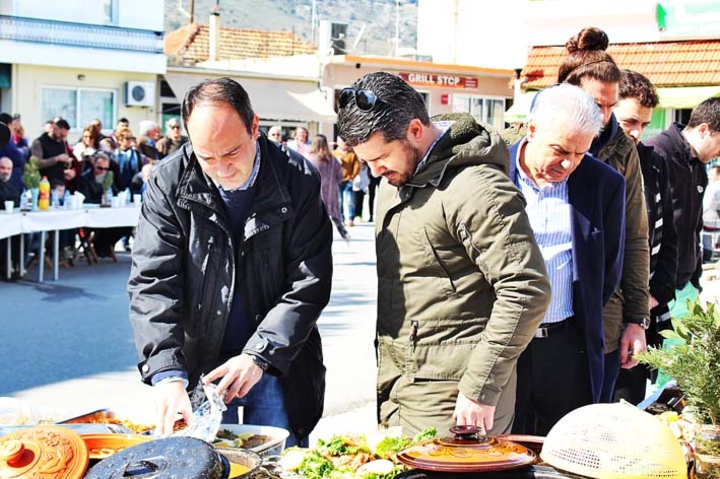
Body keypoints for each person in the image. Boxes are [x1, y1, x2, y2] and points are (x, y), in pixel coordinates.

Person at [337, 71, 551, 436]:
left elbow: (526, 290)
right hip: (402, 385)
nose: (375, 171)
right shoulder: (394, 179)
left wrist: (481, 386)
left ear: (415, 130)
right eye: (366, 161)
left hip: (460, 398)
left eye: (381, 157)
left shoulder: (477, 188)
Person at [128, 77, 333, 447]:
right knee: (199, 463)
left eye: (232, 153)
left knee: (277, 464)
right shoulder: (168, 181)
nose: (222, 169)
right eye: (206, 157)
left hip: (275, 362)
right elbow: (153, 282)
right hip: (196, 363)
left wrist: (259, 356)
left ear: (254, 127)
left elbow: (308, 283)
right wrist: (166, 371)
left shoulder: (297, 178)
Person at [507, 84, 626, 435]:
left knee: (566, 447)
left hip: (566, 347)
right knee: (501, 448)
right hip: (502, 346)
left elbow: (607, 269)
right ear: (531, 130)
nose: (568, 163)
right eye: (559, 150)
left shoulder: (603, 184)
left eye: (579, 153)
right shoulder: (491, 172)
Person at [555, 27, 650, 401]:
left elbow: (635, 236)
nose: (605, 116)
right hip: (540, 320)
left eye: (611, 106)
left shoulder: (622, 151)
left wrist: (636, 319)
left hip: (604, 317)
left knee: (592, 423)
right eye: (596, 105)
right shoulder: (527, 140)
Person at [612, 70, 678, 404]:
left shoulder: (653, 164)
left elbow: (669, 237)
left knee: (629, 404)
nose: (637, 132)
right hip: (598, 315)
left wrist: (654, 297)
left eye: (644, 124)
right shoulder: (587, 163)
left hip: (639, 313)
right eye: (629, 122)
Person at [644, 96, 720, 323]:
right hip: (654, 291)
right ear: (704, 130)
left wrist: (695, 280)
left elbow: (694, 227)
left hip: (686, 288)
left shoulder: (698, 166)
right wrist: (653, 293)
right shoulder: (655, 154)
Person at [306, 134, 350, 240]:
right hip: (331, 191)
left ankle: (316, 234)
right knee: (334, 212)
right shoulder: (333, 159)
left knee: (315, 214)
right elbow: (340, 176)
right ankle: (341, 228)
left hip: (315, 191)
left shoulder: (309, 159)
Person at [31, 117, 74, 186]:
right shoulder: (39, 142)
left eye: (64, 136)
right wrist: (57, 159)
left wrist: (68, 163)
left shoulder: (62, 142)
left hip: (59, 183)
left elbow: (65, 161)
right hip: (44, 183)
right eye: (61, 135)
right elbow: (36, 163)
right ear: (54, 128)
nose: (62, 138)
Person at [333, 136, 360, 226]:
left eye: (345, 141)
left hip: (348, 180)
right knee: (339, 201)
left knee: (350, 200)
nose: (343, 143)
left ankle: (351, 218)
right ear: (337, 142)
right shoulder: (334, 154)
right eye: (341, 141)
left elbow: (357, 165)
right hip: (337, 181)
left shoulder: (352, 154)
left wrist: (352, 176)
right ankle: (341, 218)